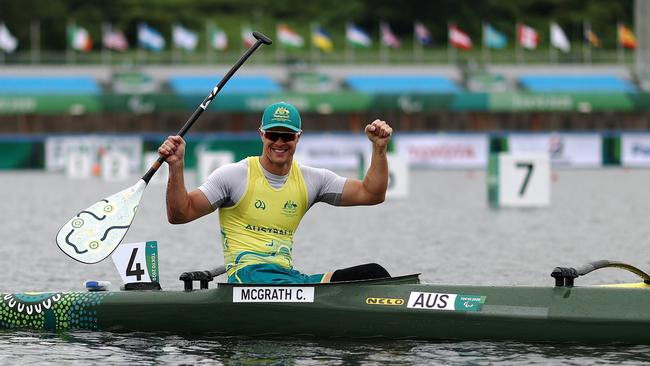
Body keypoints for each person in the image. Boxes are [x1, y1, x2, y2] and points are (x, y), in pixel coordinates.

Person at [158, 101, 393, 284]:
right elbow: (180, 214)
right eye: (273, 135)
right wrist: (176, 167)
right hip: (246, 280)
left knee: (375, 274)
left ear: (298, 137)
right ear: (262, 134)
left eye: (287, 136)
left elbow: (371, 194)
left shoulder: (313, 179)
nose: (279, 142)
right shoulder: (233, 176)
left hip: (286, 279)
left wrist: (379, 148)